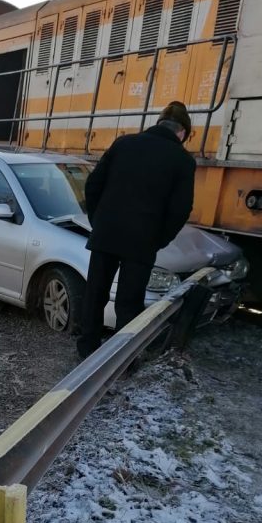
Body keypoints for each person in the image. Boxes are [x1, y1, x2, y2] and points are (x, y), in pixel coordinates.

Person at [76, 101, 195, 360]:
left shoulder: (124, 144)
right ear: (183, 132)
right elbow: (180, 210)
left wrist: (99, 221)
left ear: (159, 123)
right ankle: (121, 360)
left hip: (106, 234)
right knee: (129, 303)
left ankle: (87, 350)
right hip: (142, 242)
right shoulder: (183, 160)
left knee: (95, 293)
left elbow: (93, 185)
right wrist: (158, 240)